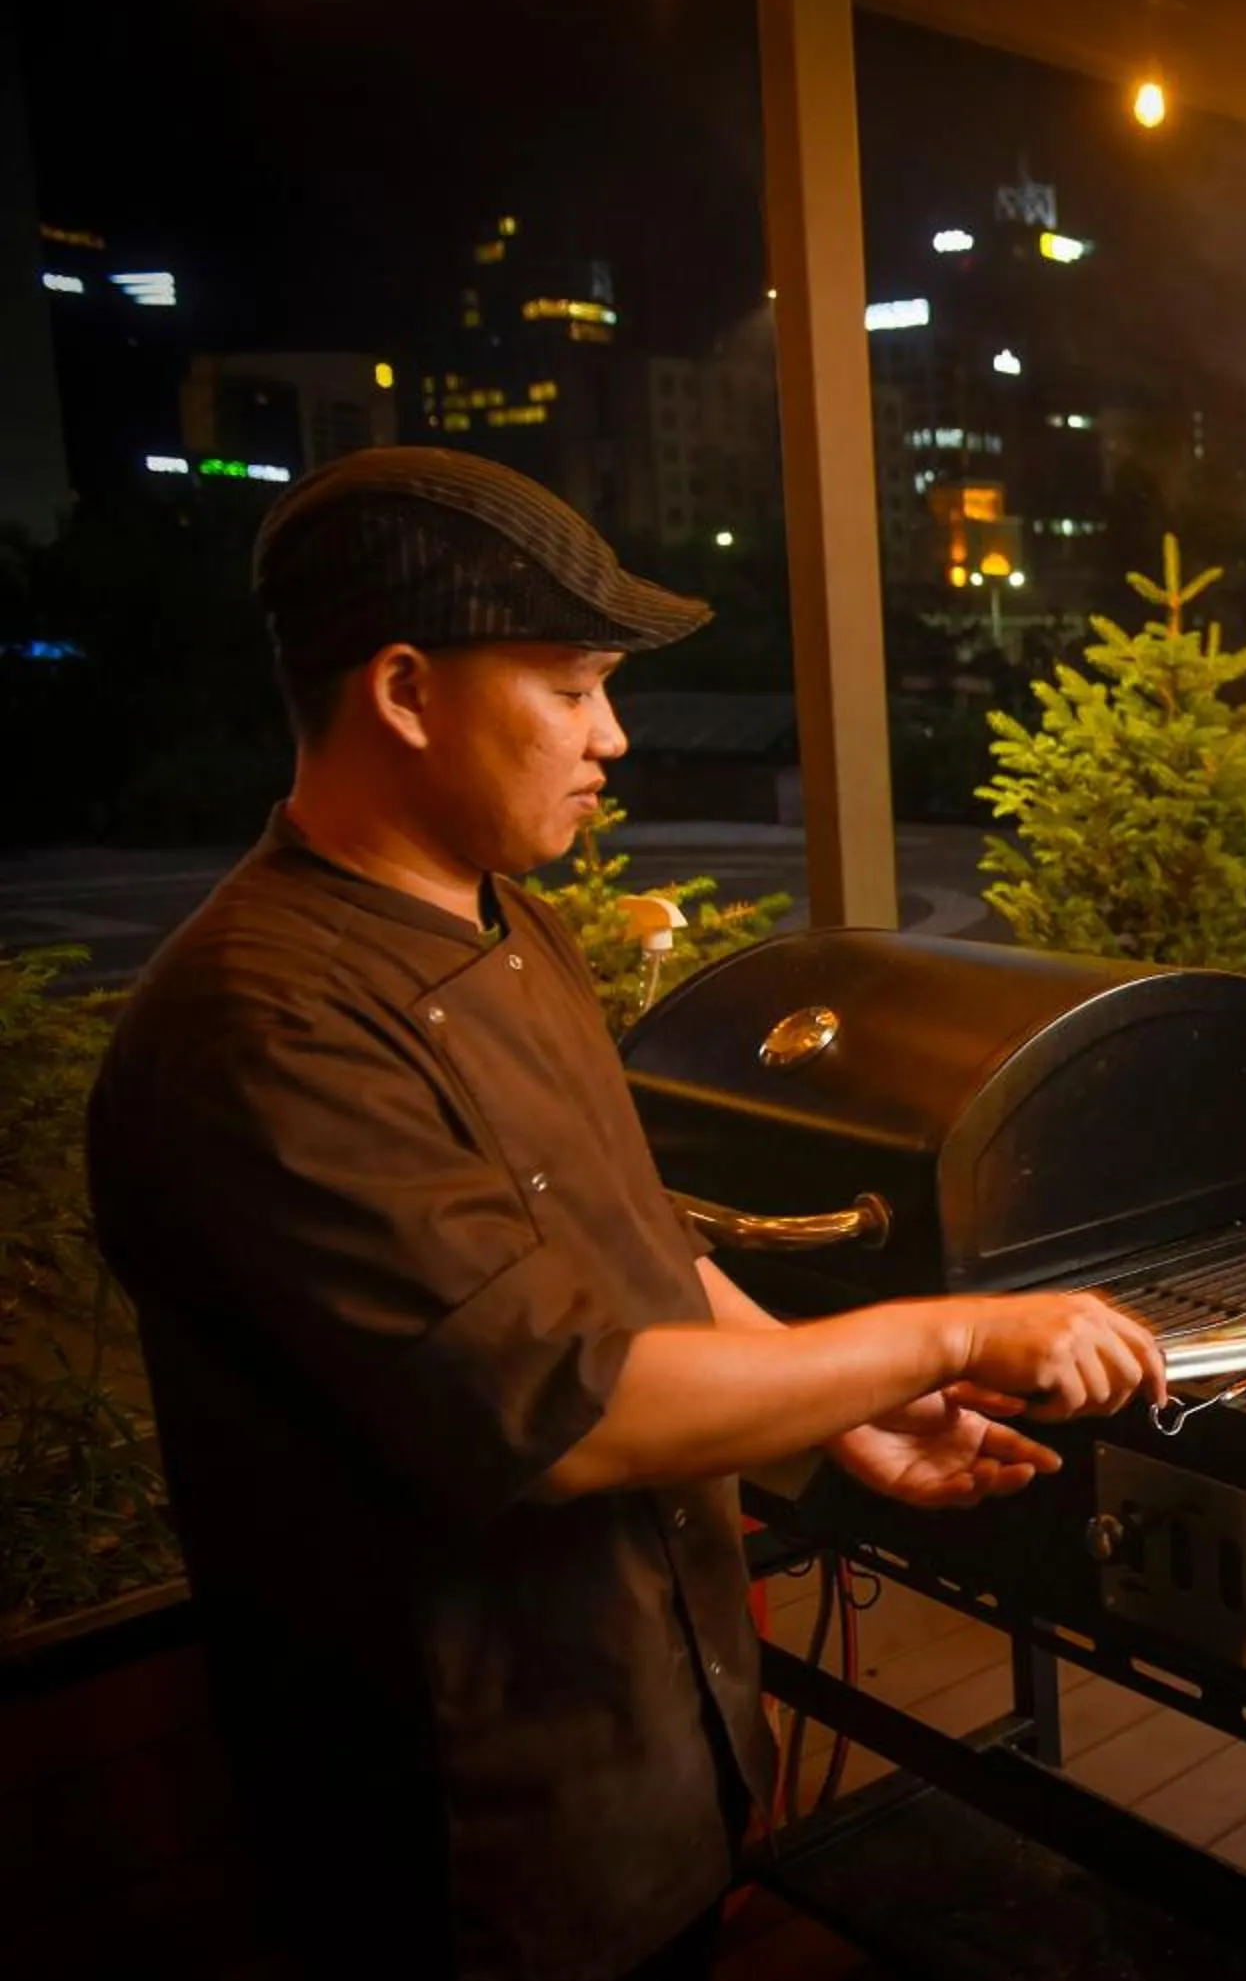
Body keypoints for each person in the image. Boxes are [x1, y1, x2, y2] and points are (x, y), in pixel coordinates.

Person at [87, 448, 1172, 1981]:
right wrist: (950, 1326)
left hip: (645, 1739)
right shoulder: (263, 1026)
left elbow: (632, 1239)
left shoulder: (505, 920)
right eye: (575, 684)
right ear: (405, 689)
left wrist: (833, 1421)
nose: (613, 735)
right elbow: (570, 1405)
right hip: (467, 1829)